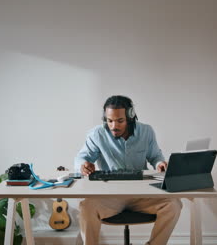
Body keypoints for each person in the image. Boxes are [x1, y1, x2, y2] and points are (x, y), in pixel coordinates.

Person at [75, 95, 182, 245]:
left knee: (174, 205)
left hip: (142, 194)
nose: (114, 126)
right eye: (109, 120)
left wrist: (159, 163)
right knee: (86, 207)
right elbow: (81, 158)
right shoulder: (97, 134)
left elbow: (155, 156)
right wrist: (83, 165)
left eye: (120, 121)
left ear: (130, 117)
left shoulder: (146, 131)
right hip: (110, 196)